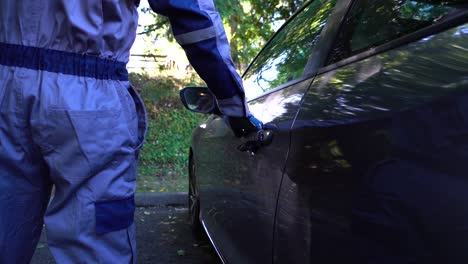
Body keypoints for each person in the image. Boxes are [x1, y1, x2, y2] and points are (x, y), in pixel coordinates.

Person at [0, 0, 262, 263]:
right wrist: (233, 104)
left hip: (5, 87)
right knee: (96, 245)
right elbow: (192, 12)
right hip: (90, 99)